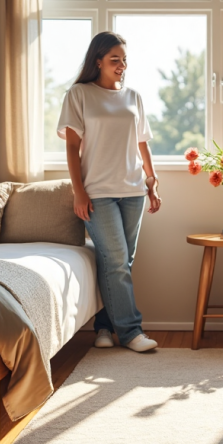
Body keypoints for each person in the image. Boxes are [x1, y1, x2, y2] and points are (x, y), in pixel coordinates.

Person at [58, 31, 162, 353]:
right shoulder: (79, 94)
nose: (121, 65)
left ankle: (103, 327)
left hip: (133, 189)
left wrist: (152, 179)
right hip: (98, 191)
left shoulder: (133, 96)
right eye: (114, 59)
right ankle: (131, 332)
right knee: (116, 260)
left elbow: (141, 142)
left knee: (117, 261)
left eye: (124, 59)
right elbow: (73, 148)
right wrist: (79, 192)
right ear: (98, 61)